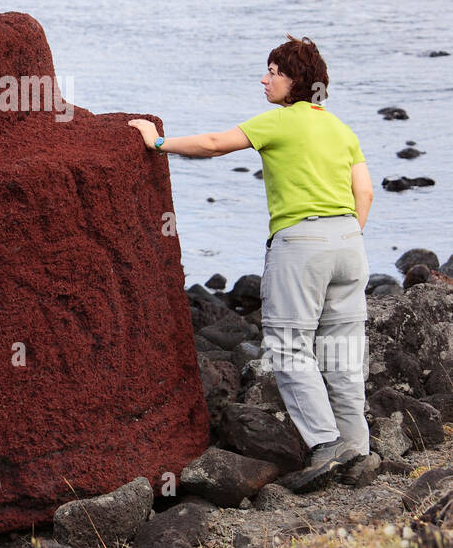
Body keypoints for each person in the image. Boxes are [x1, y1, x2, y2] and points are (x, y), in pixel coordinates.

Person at [128, 34, 374, 494]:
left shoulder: (282, 122)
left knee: (287, 346)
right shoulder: (342, 129)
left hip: (302, 242)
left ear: (295, 80)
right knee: (341, 349)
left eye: (273, 72)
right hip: (349, 243)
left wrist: (156, 141)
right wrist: (349, 234)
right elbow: (366, 192)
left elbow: (215, 143)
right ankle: (358, 449)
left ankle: (324, 445)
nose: (265, 79)